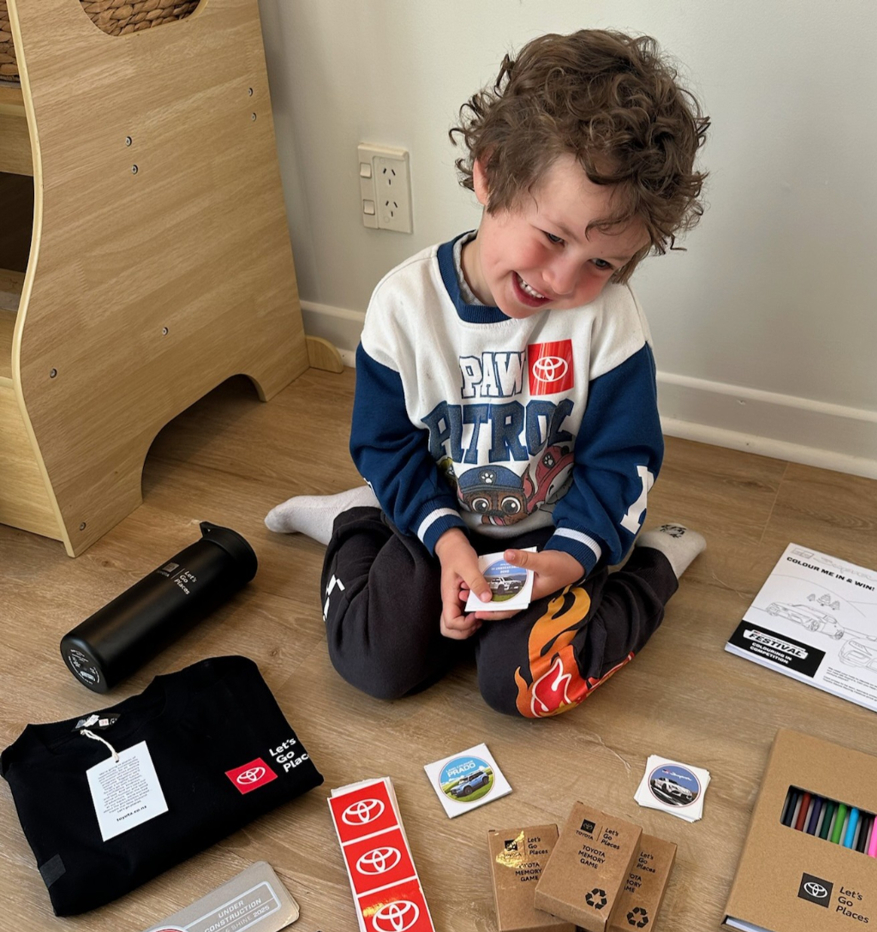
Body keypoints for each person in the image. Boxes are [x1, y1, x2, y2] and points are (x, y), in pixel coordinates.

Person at [266, 29, 709, 717]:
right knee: (374, 663)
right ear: (490, 173)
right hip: (434, 520)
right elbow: (385, 445)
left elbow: (622, 462)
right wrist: (445, 543)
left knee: (523, 685)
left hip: (551, 535)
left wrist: (567, 561)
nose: (563, 280)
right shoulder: (403, 306)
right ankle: (356, 519)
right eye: (553, 237)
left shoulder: (610, 322)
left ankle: (654, 568)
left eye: (602, 263)